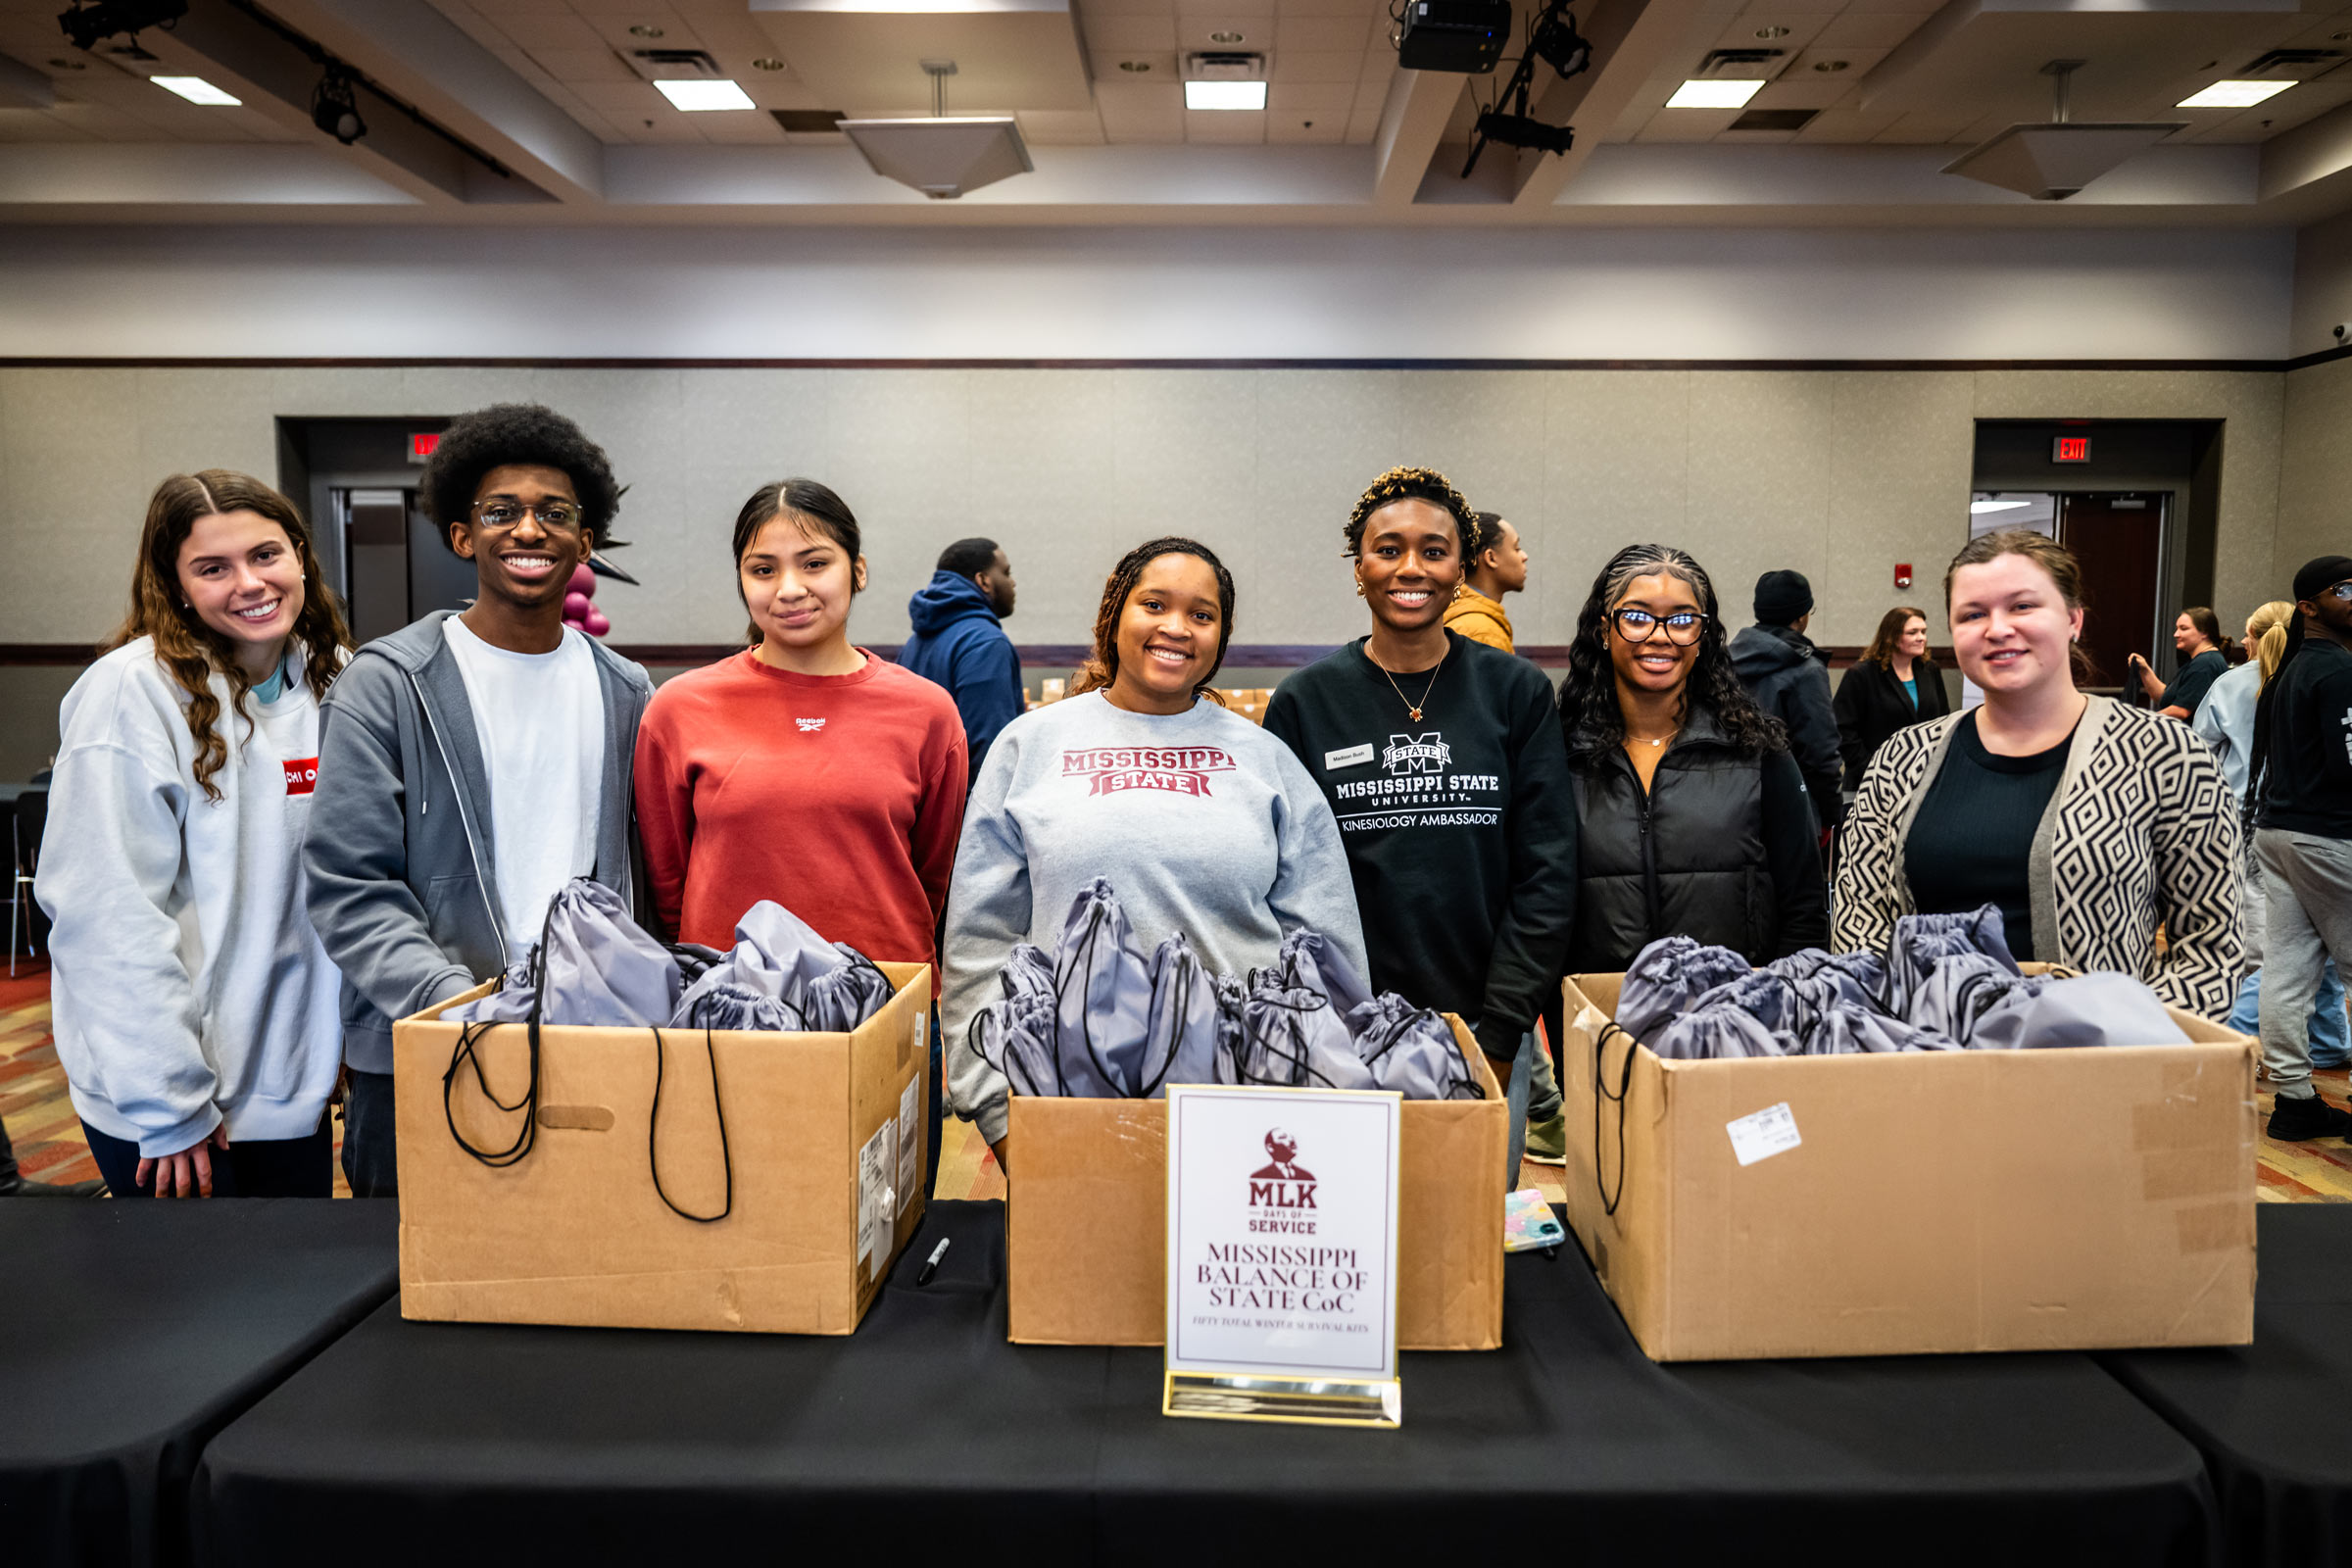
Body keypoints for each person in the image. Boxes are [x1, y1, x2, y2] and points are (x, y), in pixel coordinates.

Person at [305, 405, 654, 1199]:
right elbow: (348, 882)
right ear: (463, 536)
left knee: (580, 1283)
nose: (528, 530)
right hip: (426, 1050)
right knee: (410, 1305)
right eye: (501, 512)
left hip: (589, 1042)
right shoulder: (387, 686)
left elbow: (643, 877)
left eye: (554, 514)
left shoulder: (626, 690)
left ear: (584, 542)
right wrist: (454, 1006)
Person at [942, 537, 1364, 1173]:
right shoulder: (1029, 747)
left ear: (1220, 637)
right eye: (1155, 604)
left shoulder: (1263, 759)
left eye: (1201, 614)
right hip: (1065, 1102)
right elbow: (980, 940)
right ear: (1116, 614)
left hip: (1244, 1098)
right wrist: (995, 1110)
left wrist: (1324, 1090)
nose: (1176, 627)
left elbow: (1325, 941)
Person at [635, 479, 966, 1191]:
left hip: (883, 1010)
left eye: (814, 563)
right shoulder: (681, 708)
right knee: (738, 1230)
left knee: (891, 1227)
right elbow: (667, 878)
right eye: (764, 569)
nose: (790, 588)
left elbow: (934, 874)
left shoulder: (926, 712)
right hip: (731, 1020)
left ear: (858, 569)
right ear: (741, 581)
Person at [36, 471, 350, 1198]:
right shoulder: (129, 695)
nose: (250, 583)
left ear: (300, 557)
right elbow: (105, 917)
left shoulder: (337, 679)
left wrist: (334, 1043)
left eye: (266, 555)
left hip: (288, 1090)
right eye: (213, 568)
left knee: (294, 1303)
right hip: (174, 1109)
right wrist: (168, 1102)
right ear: (175, 586)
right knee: (199, 1308)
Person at [1265, 469, 1577, 1183]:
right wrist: (1320, 1023)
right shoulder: (1305, 704)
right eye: (1389, 549)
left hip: (1484, 1024)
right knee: (1351, 1225)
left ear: (1462, 570)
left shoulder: (1515, 692)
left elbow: (1547, 871)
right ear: (1359, 569)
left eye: (1433, 551)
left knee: (1466, 1234)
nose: (1411, 568)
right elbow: (1284, 887)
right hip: (1342, 1031)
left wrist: (1499, 1031)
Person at [1834, 530, 2240, 1017]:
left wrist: (2129, 1044)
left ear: (2073, 619)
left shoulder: (2164, 754)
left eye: (2022, 606)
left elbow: (2212, 945)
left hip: (2100, 1063)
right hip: (1928, 1060)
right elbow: (1859, 929)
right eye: (1973, 614)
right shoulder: (1901, 760)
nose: (1997, 628)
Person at [1556, 544, 1828, 974]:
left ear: (1702, 636)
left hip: (1735, 1017)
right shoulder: (1561, 755)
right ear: (1604, 630)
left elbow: (1805, 907)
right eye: (1638, 617)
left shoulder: (1758, 751)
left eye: (1683, 620)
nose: (1660, 636)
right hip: (1598, 1014)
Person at [2192, 601, 2346, 1064]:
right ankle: (2247, 1038)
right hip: (2310, 823)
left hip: (2249, 824)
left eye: (2245, 633)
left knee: (2277, 951)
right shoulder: (2322, 677)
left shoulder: (2236, 683)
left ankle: (2312, 1046)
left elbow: (2198, 754)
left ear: (2255, 635)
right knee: (2313, 948)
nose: (2240, 642)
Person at [2244, 555, 2352, 1140]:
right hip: (2329, 836)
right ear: (2309, 606)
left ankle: (2295, 1103)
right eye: (2346, 588)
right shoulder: (2336, 671)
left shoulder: (2287, 670)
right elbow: (2348, 765)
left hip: (2280, 834)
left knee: (2286, 973)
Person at [899, 537, 1023, 783]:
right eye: (1006, 573)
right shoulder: (986, 643)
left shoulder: (913, 643)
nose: (1012, 582)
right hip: (964, 811)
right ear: (984, 581)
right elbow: (990, 748)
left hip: (918, 803)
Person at [1729, 569, 1843, 831]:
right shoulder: (1806, 670)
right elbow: (1820, 754)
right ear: (1801, 616)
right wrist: (1829, 815)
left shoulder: (1725, 662)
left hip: (1732, 809)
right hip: (1791, 812)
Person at [1832, 605, 1951, 794]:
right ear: (1891, 637)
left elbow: (1944, 719)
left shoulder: (1930, 670)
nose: (1921, 638)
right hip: (1872, 783)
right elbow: (1843, 730)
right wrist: (1873, 769)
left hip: (1922, 780)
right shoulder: (1862, 674)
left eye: (1923, 631)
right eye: (1912, 632)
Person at [1443, 510, 1528, 653]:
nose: (1524, 556)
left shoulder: (1457, 611)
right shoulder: (1483, 633)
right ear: (1491, 558)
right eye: (1516, 548)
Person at [2127, 606, 2234, 720]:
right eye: (2177, 628)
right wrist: (2145, 670)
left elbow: (2181, 711)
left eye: (2183, 629)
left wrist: (2140, 721)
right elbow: (2165, 697)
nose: (2176, 634)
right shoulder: (2200, 661)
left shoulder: (2205, 664)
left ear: (2204, 632)